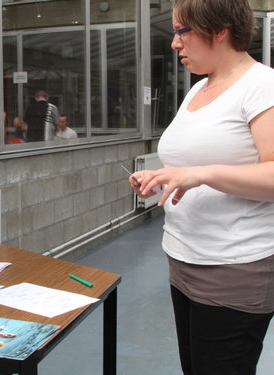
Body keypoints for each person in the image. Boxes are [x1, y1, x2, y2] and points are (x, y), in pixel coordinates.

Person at [128, 1, 274, 374]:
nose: (175, 43)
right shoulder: (198, 90)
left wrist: (200, 174)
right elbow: (192, 161)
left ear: (220, 30)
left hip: (234, 267)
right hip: (183, 257)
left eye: (182, 31)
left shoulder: (262, 86)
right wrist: (162, 176)